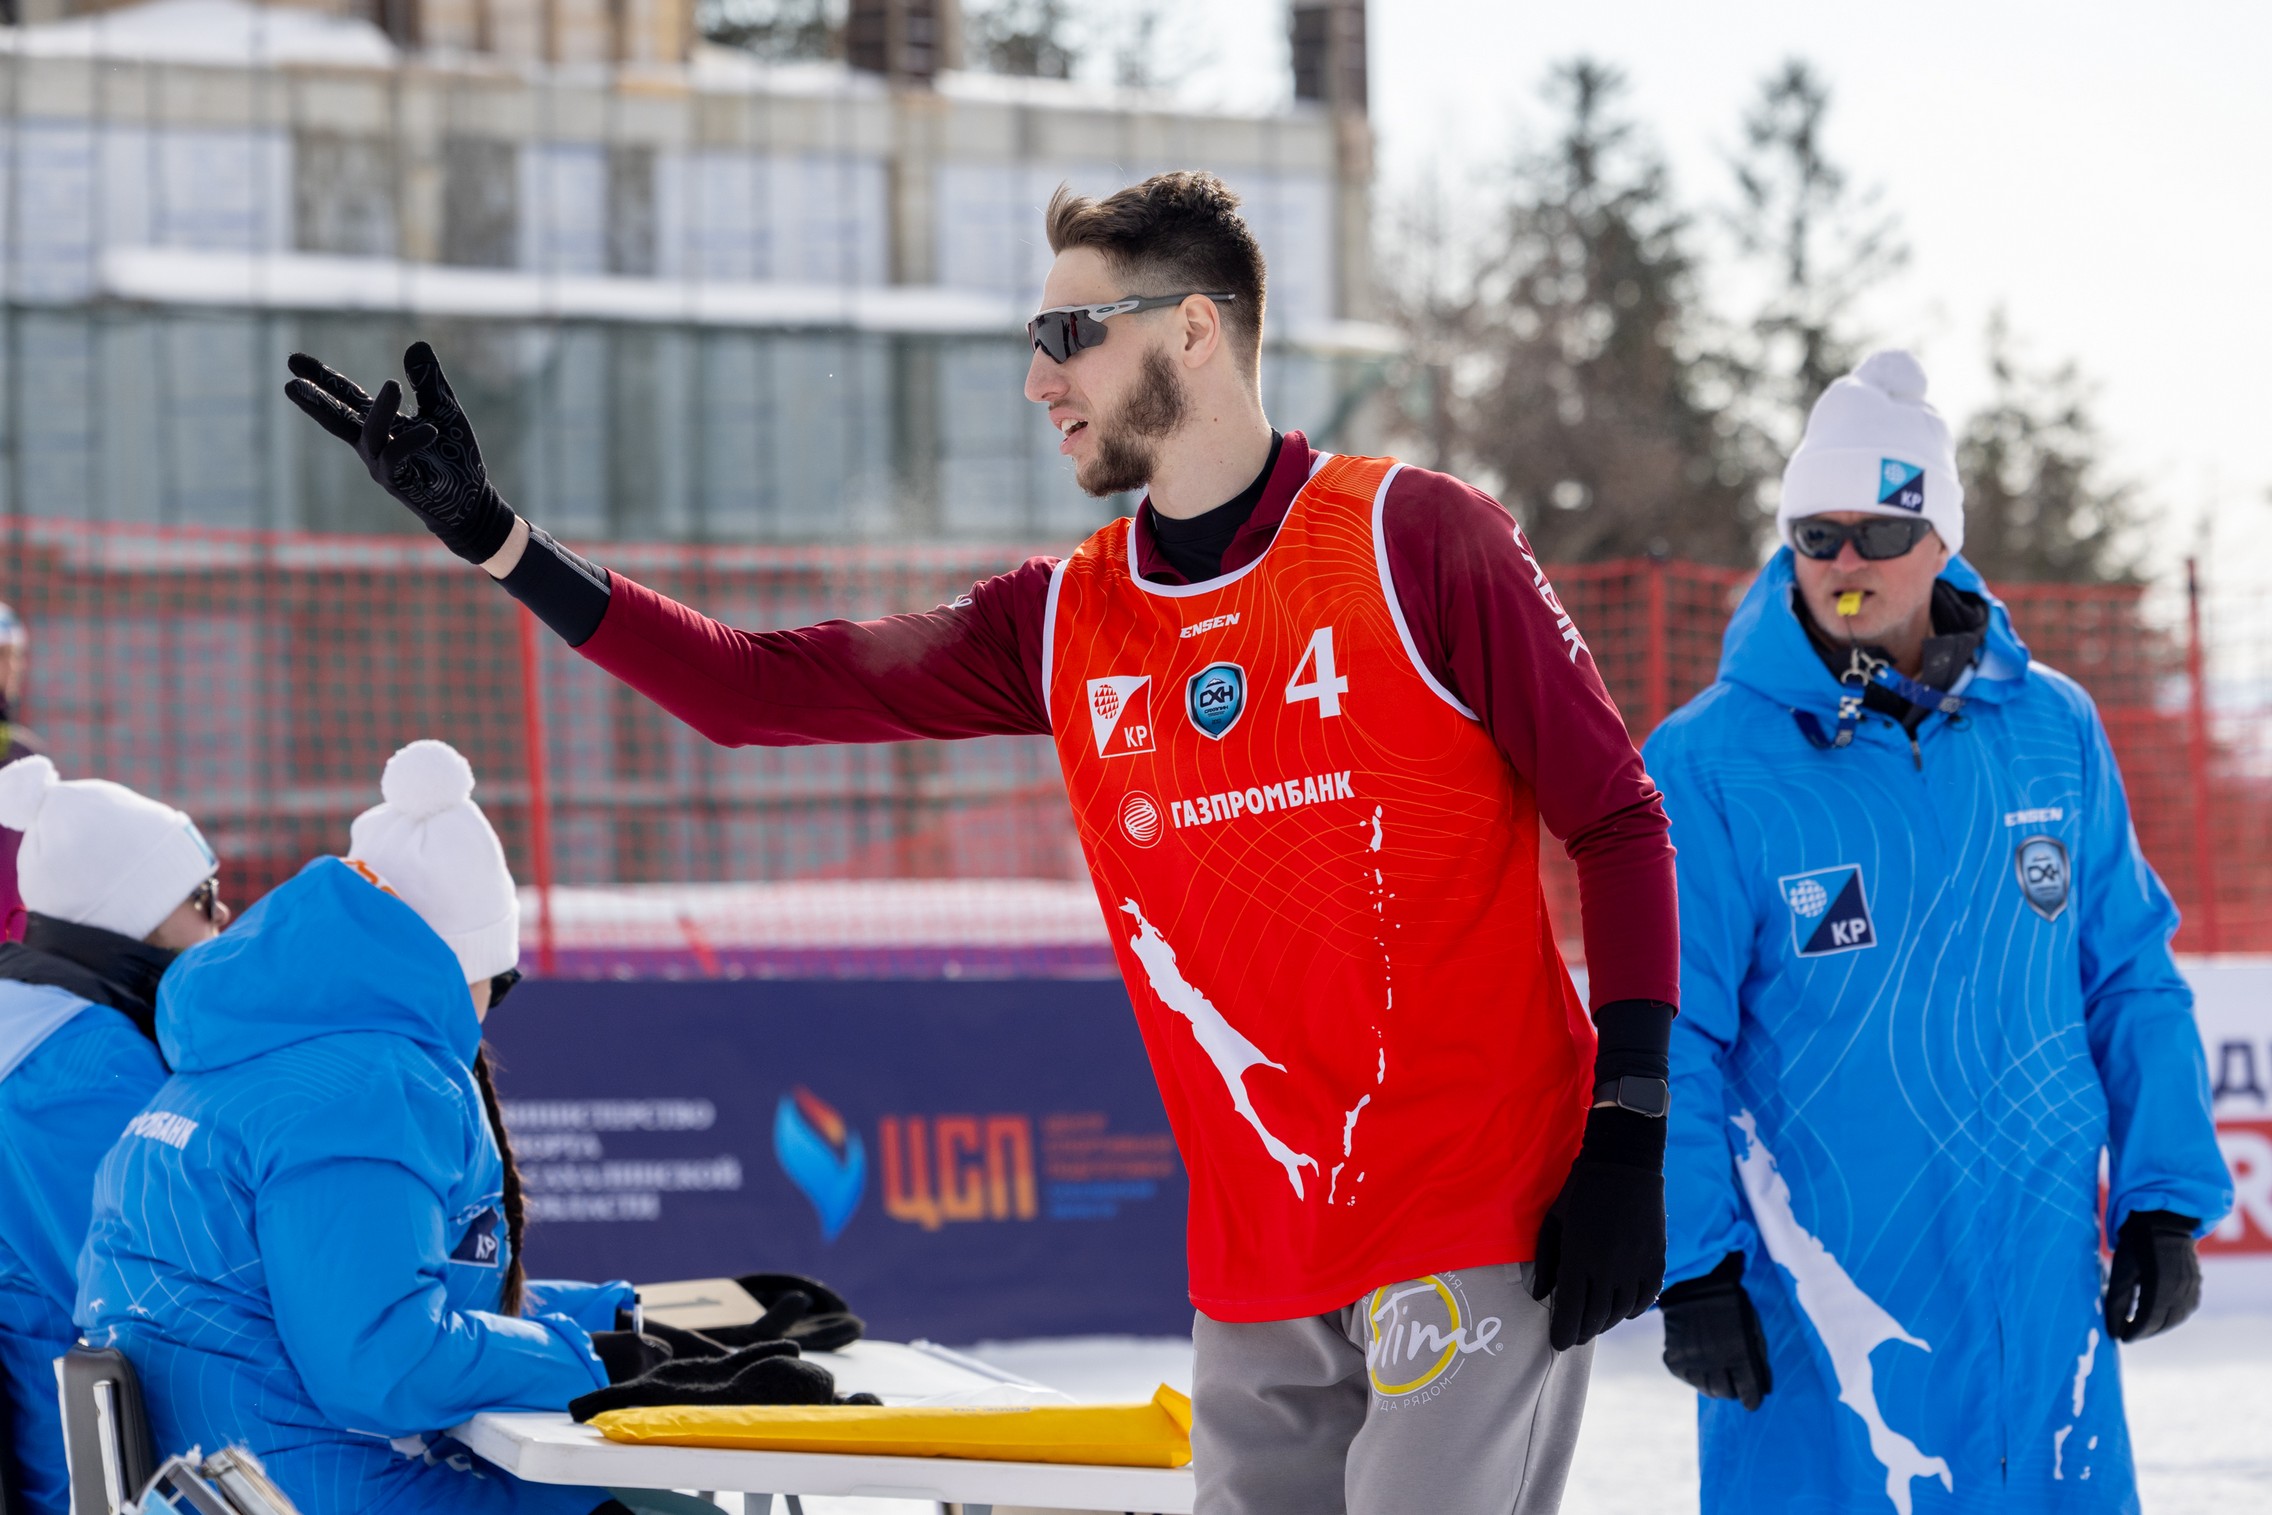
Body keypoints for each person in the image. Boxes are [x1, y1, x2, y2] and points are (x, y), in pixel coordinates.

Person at [283, 171, 1681, 1514]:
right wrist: (500, 540)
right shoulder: (1062, 618)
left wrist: (1627, 1126)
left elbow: (1618, 817)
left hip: (1472, 1203)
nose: (1039, 379)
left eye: (1072, 334)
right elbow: (757, 689)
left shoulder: (1413, 538)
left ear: (1196, 327)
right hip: (1262, 1249)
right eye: (1035, 341)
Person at [1643, 350, 2232, 1514]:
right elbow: (1671, 1035)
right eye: (1815, 536)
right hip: (1821, 1310)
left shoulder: (2052, 726)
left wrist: (2162, 1197)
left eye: (1873, 531)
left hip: (2036, 1296)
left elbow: (2127, 979)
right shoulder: (1705, 761)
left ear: (1940, 537)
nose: (1842, 563)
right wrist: (1693, 1266)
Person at [76, 740, 668, 1515]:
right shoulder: (369, 1088)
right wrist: (585, 1360)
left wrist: (602, 1320)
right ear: (460, 967)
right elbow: (381, 1362)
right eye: (503, 978)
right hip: (318, 1490)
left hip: (231, 1483)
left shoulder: (234, 1062)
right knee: (662, 1505)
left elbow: (365, 1284)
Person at [0, 757, 225, 1515]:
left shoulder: (34, 1020)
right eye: (205, 896)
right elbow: (158, 1299)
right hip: (73, 1465)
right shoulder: (79, 1064)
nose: (222, 920)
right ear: (141, 916)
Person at [0, 603, 48, 942]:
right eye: (4, 655)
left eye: (15, 656)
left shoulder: (20, 750)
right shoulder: (18, 752)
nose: (14, 667)